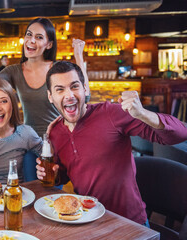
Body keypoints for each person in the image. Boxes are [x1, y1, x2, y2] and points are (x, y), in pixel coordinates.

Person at [36, 61, 187, 225]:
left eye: (74, 86)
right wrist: (55, 175)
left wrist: (143, 113)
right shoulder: (55, 132)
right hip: (87, 220)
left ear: (85, 88)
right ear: (50, 96)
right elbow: (65, 174)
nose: (69, 95)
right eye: (60, 89)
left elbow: (180, 134)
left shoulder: (111, 113)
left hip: (130, 223)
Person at [0, 17, 90, 137]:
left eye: (39, 37)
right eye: (29, 35)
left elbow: (85, 96)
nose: (31, 40)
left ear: (49, 44)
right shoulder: (14, 71)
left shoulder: (57, 69)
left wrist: (78, 55)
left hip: (60, 137)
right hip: (29, 140)